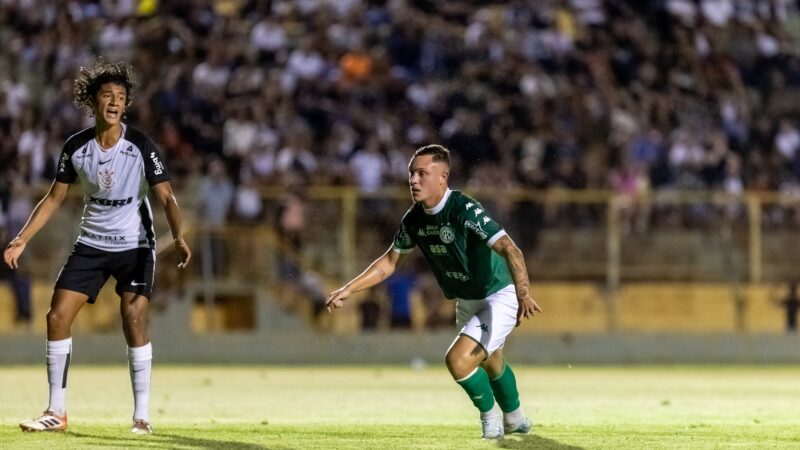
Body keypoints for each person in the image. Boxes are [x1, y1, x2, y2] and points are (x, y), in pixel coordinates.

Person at [3, 60, 191, 435]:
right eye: (107, 95)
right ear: (93, 101)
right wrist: (22, 238)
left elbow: (167, 197)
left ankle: (141, 416)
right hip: (91, 242)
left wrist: (179, 235)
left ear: (126, 104)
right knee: (57, 316)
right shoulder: (76, 147)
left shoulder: (140, 144)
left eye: (121, 97)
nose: (115, 102)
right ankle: (56, 412)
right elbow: (54, 199)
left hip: (135, 244)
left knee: (134, 319)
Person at [326, 144, 542, 441]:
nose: (413, 180)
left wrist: (523, 293)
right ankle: (516, 418)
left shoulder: (464, 209)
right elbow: (390, 261)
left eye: (422, 173)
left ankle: (490, 416)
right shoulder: (414, 218)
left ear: (442, 177)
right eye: (411, 173)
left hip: (497, 294)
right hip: (467, 299)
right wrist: (349, 288)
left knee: (458, 360)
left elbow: (510, 248)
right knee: (491, 361)